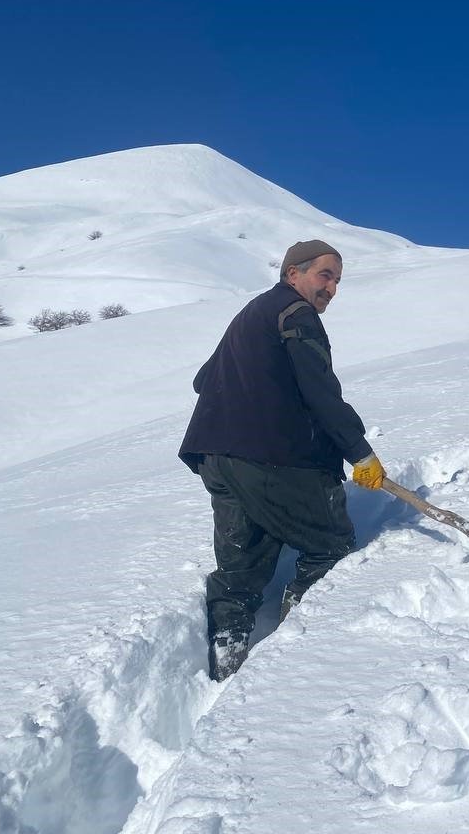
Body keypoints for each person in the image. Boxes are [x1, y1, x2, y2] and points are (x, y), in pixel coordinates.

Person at [178, 239, 386, 681]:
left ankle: (227, 662)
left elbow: (202, 380)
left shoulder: (254, 313)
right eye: (324, 275)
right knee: (330, 543)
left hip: (215, 455)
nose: (331, 287)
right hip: (268, 456)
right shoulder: (296, 314)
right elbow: (321, 392)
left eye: (337, 280)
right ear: (293, 273)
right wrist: (360, 453)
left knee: (241, 565)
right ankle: (296, 647)